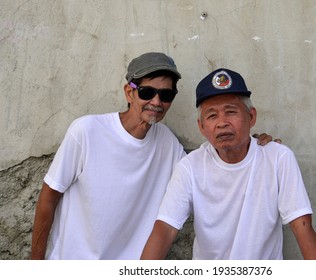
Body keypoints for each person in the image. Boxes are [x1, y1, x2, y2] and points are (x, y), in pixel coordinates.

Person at [31, 53, 276, 260]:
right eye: (147, 92)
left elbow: (209, 169)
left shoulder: (167, 144)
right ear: (129, 92)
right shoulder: (86, 131)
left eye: (166, 95)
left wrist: (247, 143)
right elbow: (49, 197)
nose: (156, 102)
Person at [141, 68, 316, 260]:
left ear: (251, 117)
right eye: (212, 115)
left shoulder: (278, 158)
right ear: (201, 126)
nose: (222, 123)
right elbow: (165, 229)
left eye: (231, 112)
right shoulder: (190, 167)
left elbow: (302, 225)